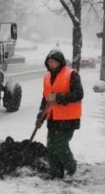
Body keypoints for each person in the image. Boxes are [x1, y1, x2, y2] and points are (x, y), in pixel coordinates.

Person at [35, 49, 84, 180]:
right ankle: (56, 171)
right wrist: (40, 116)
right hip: (53, 118)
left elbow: (79, 94)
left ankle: (71, 168)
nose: (51, 64)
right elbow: (46, 99)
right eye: (49, 61)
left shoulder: (72, 74)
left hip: (68, 118)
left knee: (61, 145)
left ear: (60, 62)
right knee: (51, 147)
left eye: (54, 61)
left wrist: (59, 97)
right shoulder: (47, 77)